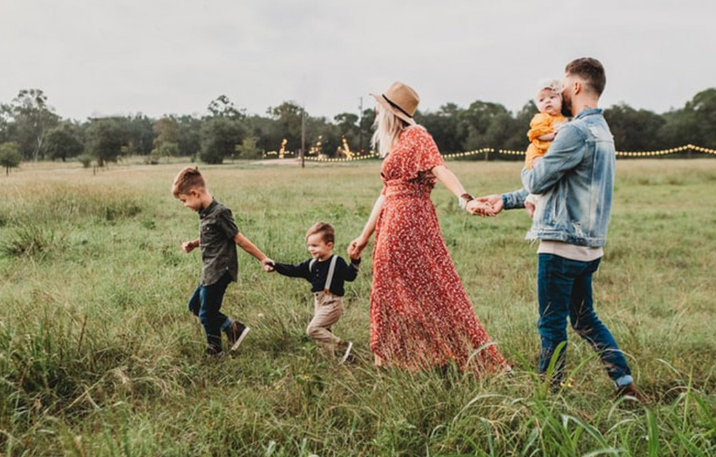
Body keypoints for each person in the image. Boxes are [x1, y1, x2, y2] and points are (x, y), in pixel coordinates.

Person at [479, 58, 646, 401]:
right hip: (589, 247)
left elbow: (539, 179)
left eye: (564, 85)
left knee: (551, 323)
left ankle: (548, 396)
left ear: (578, 87)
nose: (560, 91)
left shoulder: (573, 131)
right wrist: (506, 200)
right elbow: (560, 186)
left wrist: (532, 164)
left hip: (560, 246)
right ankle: (624, 384)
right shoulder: (603, 131)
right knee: (585, 319)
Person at [347, 81, 508, 374]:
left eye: (379, 108)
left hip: (409, 221)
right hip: (392, 221)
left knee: (431, 288)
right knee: (390, 290)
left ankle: (449, 355)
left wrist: (465, 200)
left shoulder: (417, 136)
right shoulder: (397, 143)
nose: (375, 113)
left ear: (391, 112)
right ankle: (396, 359)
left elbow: (440, 168)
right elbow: (385, 193)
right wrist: (363, 237)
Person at [172, 166, 273, 356]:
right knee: (195, 306)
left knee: (206, 314)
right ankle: (233, 328)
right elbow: (212, 236)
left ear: (195, 193)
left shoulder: (220, 213)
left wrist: (263, 258)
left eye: (184, 200)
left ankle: (215, 350)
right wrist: (194, 244)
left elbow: (238, 238)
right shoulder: (206, 213)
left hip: (219, 271)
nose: (185, 205)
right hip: (209, 271)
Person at [268, 222, 359, 362]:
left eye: (315, 245)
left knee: (313, 329)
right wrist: (275, 265)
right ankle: (331, 363)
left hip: (333, 303)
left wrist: (354, 261)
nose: (311, 249)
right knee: (324, 336)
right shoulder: (312, 264)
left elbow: (350, 276)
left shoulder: (337, 262)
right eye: (309, 245)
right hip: (319, 302)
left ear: (329, 245)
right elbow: (293, 270)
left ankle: (343, 346)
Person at [524, 79, 567, 210]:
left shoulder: (563, 119)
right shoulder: (541, 117)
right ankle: (534, 198)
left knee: (552, 177)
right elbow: (537, 134)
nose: (547, 101)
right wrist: (553, 136)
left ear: (561, 100)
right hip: (538, 152)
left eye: (552, 97)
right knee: (542, 172)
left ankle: (532, 198)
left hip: (550, 152)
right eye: (542, 100)